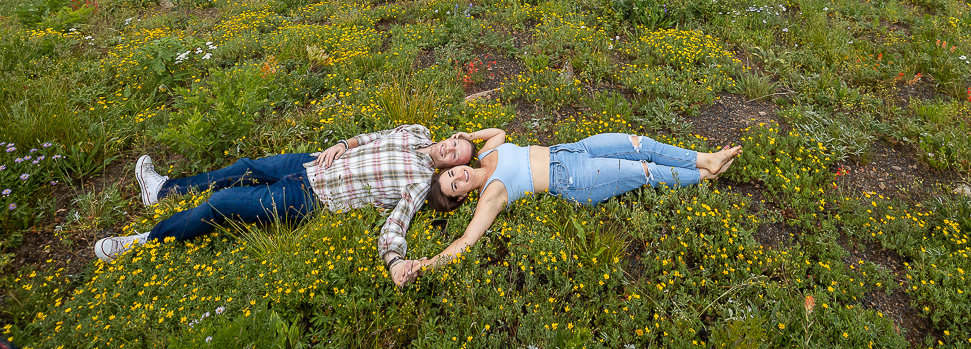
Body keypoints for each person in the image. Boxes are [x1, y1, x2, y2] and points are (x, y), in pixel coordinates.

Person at [94, 125, 475, 284]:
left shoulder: (420, 186)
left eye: (457, 158)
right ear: (450, 136)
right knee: (245, 167)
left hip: (312, 197)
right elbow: (376, 136)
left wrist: (394, 261)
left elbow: (396, 225)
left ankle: (143, 241)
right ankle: (162, 191)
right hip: (314, 162)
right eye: (455, 141)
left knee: (223, 204)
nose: (451, 150)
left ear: (453, 169)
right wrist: (343, 144)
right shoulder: (419, 132)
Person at [396, 129, 741, 286]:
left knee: (639, 144)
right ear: (461, 197)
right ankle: (702, 176)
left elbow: (498, 133)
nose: (458, 174)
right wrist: (425, 265)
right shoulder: (490, 195)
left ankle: (705, 159)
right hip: (574, 178)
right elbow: (466, 242)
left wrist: (467, 136)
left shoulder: (486, 154)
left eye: (452, 172)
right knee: (643, 172)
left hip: (572, 149)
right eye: (455, 184)